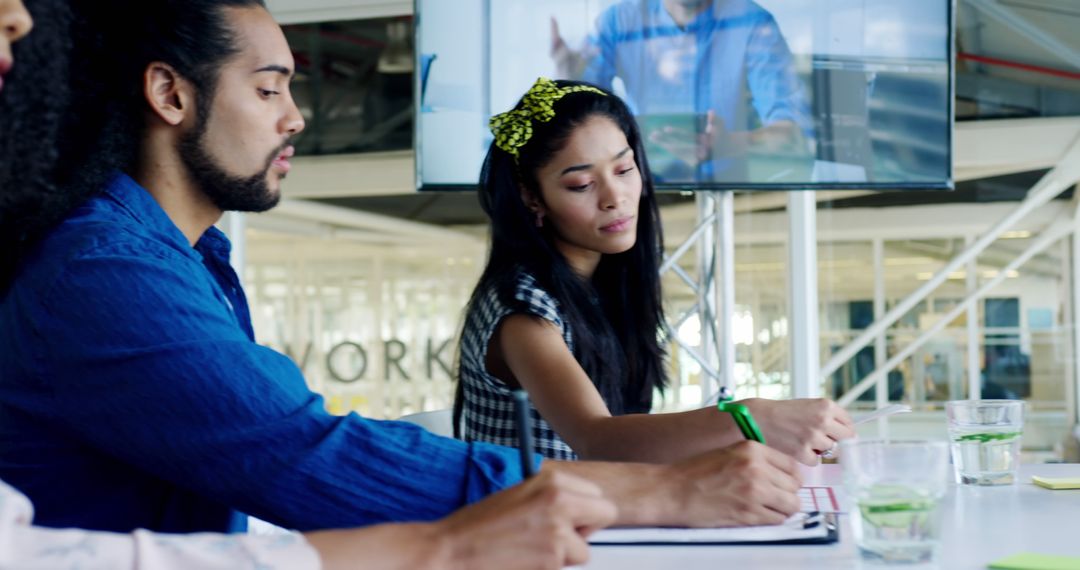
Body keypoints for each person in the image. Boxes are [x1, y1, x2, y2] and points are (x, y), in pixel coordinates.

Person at [0, 0, 803, 537]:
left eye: (624, 169)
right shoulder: (102, 272)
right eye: (269, 88)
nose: (295, 116)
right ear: (170, 95)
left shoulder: (187, 258)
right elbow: (303, 456)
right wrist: (663, 492)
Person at [455, 77, 853, 464]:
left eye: (625, 170)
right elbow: (598, 441)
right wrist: (752, 419)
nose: (615, 198)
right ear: (531, 197)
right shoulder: (523, 310)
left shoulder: (602, 285)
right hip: (531, 525)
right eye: (581, 184)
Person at [550, 0, 814, 183]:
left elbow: (796, 137)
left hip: (732, 189)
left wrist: (729, 144)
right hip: (641, 183)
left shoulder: (754, 24)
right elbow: (584, 118)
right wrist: (570, 82)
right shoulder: (619, 22)